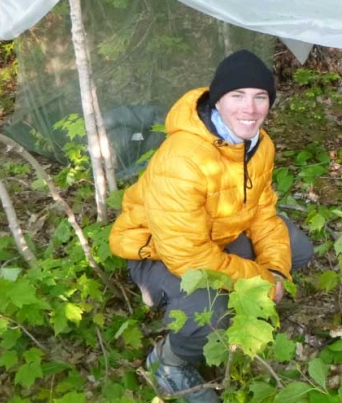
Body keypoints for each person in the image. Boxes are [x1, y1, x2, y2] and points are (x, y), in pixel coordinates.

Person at [109, 50, 314, 402]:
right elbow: (188, 257)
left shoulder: (259, 144)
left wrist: (276, 269)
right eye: (237, 95)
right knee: (207, 310)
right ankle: (169, 363)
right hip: (157, 251)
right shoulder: (183, 159)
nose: (250, 109)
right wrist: (262, 281)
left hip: (217, 236)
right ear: (217, 99)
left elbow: (264, 211)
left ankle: (237, 302)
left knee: (297, 250)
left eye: (260, 97)